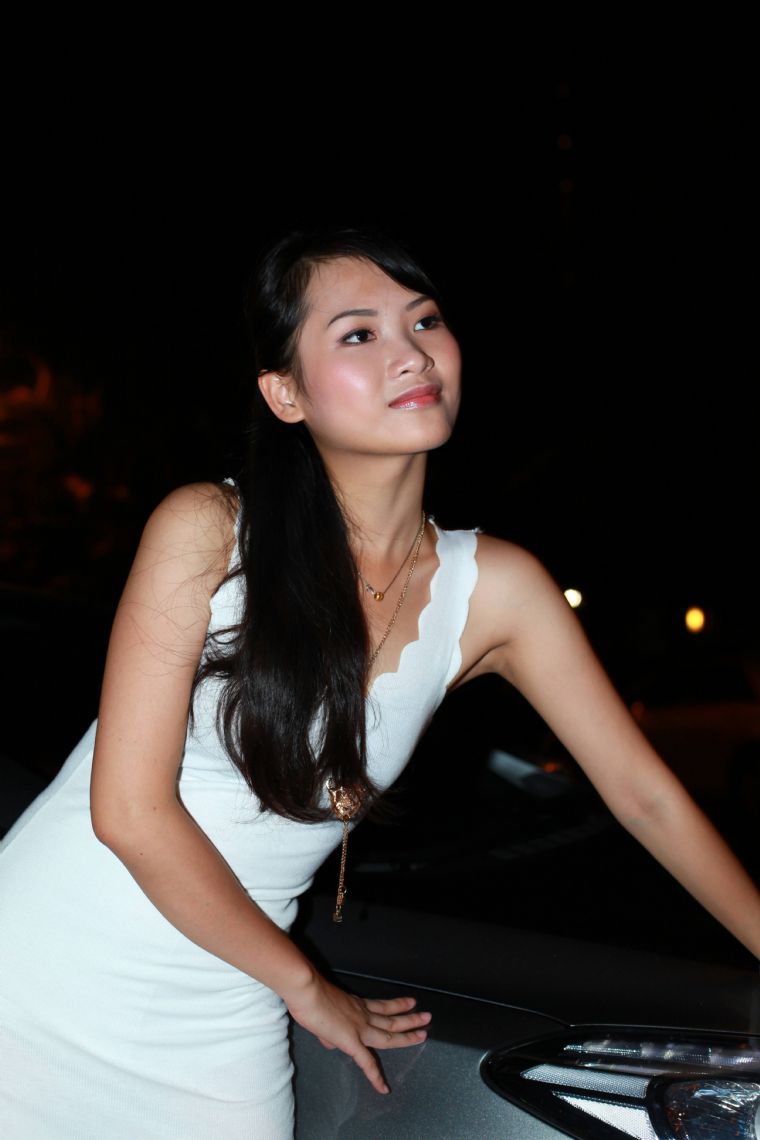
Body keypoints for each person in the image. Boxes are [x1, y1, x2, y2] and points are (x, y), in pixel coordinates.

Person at [1, 224, 759, 1140]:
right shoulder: (207, 530)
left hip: (223, 1010)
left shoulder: (499, 589)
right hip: (42, 968)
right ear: (285, 394)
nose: (411, 353)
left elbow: (645, 797)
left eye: (425, 321)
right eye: (359, 334)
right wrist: (307, 986)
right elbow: (127, 811)